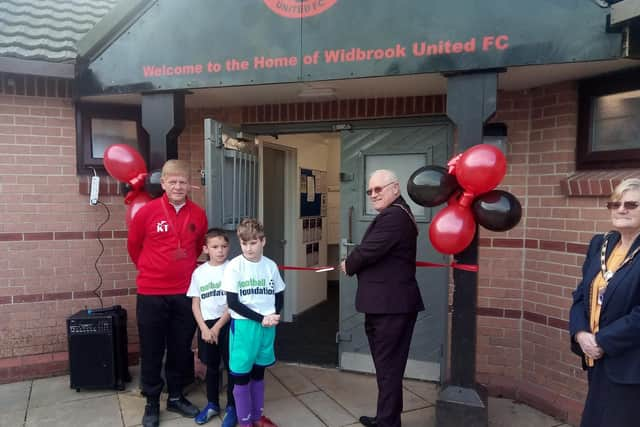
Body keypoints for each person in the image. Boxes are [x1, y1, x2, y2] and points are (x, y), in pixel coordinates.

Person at [340, 169, 424, 427]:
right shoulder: (397, 214)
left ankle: (387, 422)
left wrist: (348, 263)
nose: (373, 194)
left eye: (379, 189)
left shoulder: (394, 217)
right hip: (388, 305)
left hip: (391, 308)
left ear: (395, 188)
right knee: (388, 369)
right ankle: (388, 419)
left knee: (388, 369)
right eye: (370, 191)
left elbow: (368, 251)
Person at [127, 159, 208, 427]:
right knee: (151, 349)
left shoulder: (198, 214)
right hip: (151, 293)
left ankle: (175, 396)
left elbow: (197, 247)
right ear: (162, 183)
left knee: (180, 348)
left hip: (184, 293)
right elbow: (134, 248)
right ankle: (151, 401)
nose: (177, 186)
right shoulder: (147, 212)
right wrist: (154, 271)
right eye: (172, 181)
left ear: (189, 184)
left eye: (182, 182)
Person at [569, 178, 640, 427]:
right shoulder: (601, 244)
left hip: (630, 366)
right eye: (615, 203)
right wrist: (580, 333)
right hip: (597, 360)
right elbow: (581, 295)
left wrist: (601, 340)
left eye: (631, 204)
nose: (621, 209)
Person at [221, 218, 285, 427]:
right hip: (244, 328)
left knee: (259, 373)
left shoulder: (270, 266)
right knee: (241, 376)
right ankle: (245, 421)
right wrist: (262, 318)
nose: (248, 248)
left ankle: (258, 417)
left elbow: (279, 292)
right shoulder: (234, 267)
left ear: (263, 241)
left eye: (253, 242)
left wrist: (275, 313)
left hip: (267, 327)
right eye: (244, 243)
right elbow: (233, 303)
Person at [187, 228, 237, 426]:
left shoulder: (233, 269)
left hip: (227, 323)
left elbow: (233, 303)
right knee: (212, 367)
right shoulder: (199, 273)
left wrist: (216, 327)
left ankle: (232, 407)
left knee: (233, 367)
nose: (220, 251)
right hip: (206, 327)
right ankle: (212, 405)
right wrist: (205, 328)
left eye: (224, 246)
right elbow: (195, 304)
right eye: (215, 247)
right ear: (206, 249)